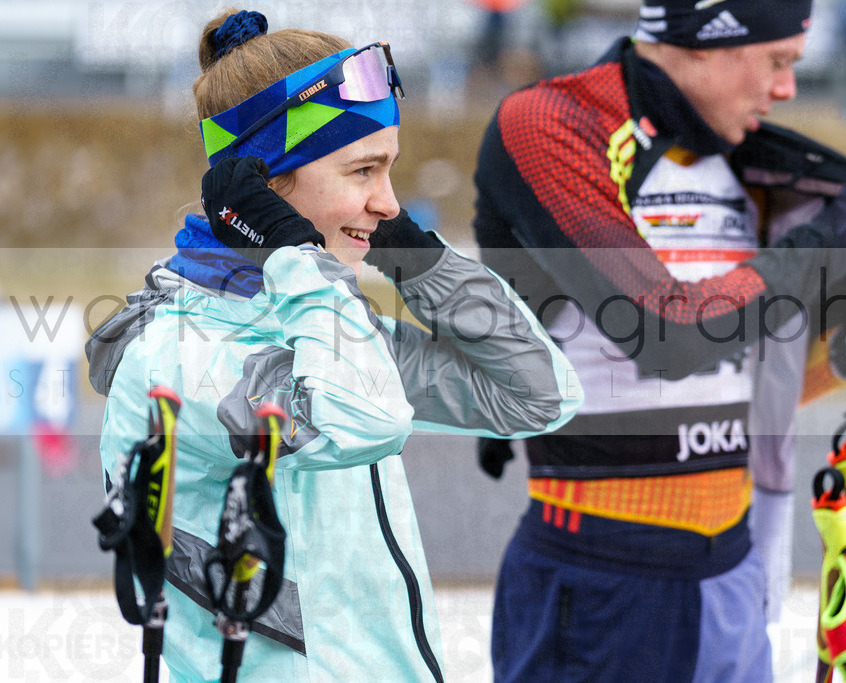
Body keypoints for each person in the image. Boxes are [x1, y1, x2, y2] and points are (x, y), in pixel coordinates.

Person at [86, 9, 580, 682]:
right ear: (262, 191)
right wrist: (297, 253)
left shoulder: (326, 325)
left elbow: (537, 393)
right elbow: (363, 419)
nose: (388, 201)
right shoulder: (179, 353)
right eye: (363, 171)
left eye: (390, 170)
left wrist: (413, 255)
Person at [472, 0, 846, 680]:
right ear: (708, 40)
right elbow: (666, 334)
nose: (787, 89)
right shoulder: (552, 121)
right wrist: (832, 239)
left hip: (736, 566)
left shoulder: (746, 153)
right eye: (778, 61)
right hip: (606, 579)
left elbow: (761, 365)